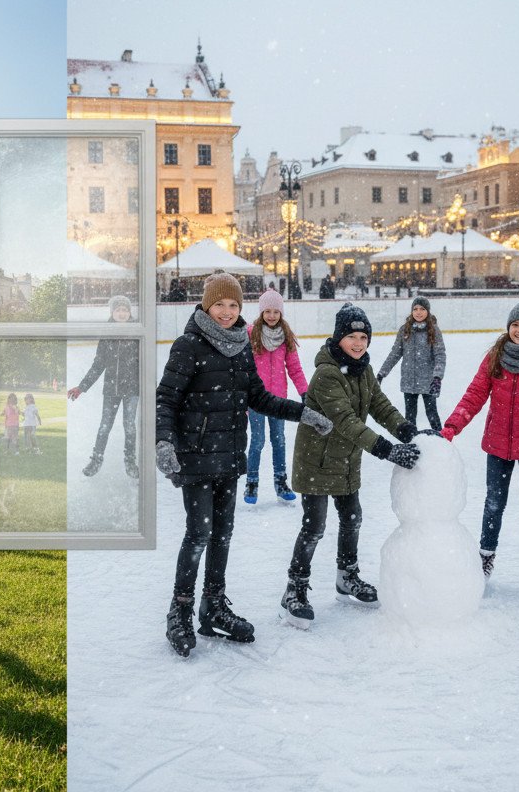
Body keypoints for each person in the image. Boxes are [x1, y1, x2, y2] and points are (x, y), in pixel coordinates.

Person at [156, 273, 333, 657]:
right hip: (196, 458)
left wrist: (303, 413)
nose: (226, 311)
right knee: (199, 534)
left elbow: (260, 398)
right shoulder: (188, 345)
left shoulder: (240, 346)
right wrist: (164, 441)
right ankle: (180, 610)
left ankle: (213, 606)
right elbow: (167, 398)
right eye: (220, 304)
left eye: (233, 305)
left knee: (222, 535)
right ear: (207, 305)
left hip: (230, 457)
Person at [279, 303, 420, 629]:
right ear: (338, 338)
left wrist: (407, 431)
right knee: (314, 526)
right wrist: (387, 449)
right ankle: (294, 588)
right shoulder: (327, 374)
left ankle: (347, 577)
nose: (358, 343)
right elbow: (345, 421)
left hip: (345, 461)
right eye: (352, 337)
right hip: (317, 462)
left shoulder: (363, 369)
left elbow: (380, 406)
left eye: (363, 337)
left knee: (352, 518)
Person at [441, 298, 519, 584]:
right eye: (515, 324)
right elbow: (475, 394)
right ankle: (485, 557)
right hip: (497, 447)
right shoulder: (495, 356)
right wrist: (452, 426)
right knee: (494, 504)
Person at [243, 289, 308, 505]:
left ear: (281, 313)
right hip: (256, 400)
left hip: (278, 400)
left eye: (276, 311)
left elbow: (295, 369)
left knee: (279, 440)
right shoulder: (251, 335)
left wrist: (305, 392)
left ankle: (281, 483)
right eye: (267, 311)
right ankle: (251, 483)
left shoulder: (285, 337)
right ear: (261, 312)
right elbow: (243, 369)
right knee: (258, 441)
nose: (271, 316)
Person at [68, 295, 140, 479]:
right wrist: (81, 387)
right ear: (112, 312)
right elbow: (98, 364)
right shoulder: (107, 334)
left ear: (129, 312)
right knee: (105, 426)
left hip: (132, 389)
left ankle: (130, 461)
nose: (122, 313)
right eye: (118, 310)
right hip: (111, 390)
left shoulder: (137, 332)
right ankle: (96, 459)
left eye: (125, 310)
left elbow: (144, 363)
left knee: (129, 426)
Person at [377, 296, 447, 431]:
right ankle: (412, 440)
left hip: (429, 381)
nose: (418, 312)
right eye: (415, 309)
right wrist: (382, 373)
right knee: (410, 417)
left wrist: (437, 377)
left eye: (422, 309)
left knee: (432, 414)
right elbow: (395, 354)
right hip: (409, 381)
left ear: (428, 311)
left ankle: (442, 439)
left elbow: (440, 354)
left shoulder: (434, 330)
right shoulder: (405, 330)